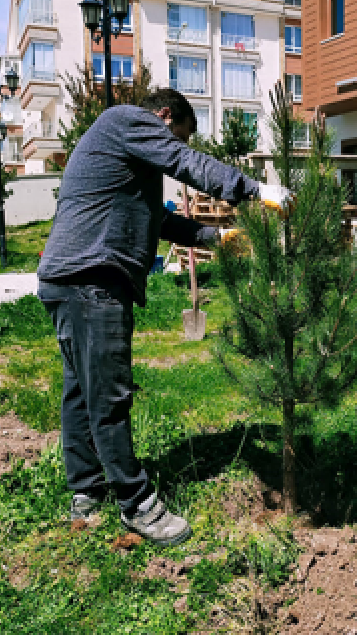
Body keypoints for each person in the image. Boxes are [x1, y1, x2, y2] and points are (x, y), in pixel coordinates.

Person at [37, 89, 292, 546]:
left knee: (81, 392)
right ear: (164, 116)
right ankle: (136, 505)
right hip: (92, 280)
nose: (173, 146)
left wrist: (214, 237)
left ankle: (85, 493)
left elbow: (158, 220)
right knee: (109, 396)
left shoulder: (120, 152)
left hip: (66, 279)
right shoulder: (127, 121)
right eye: (177, 136)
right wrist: (256, 190)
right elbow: (187, 165)